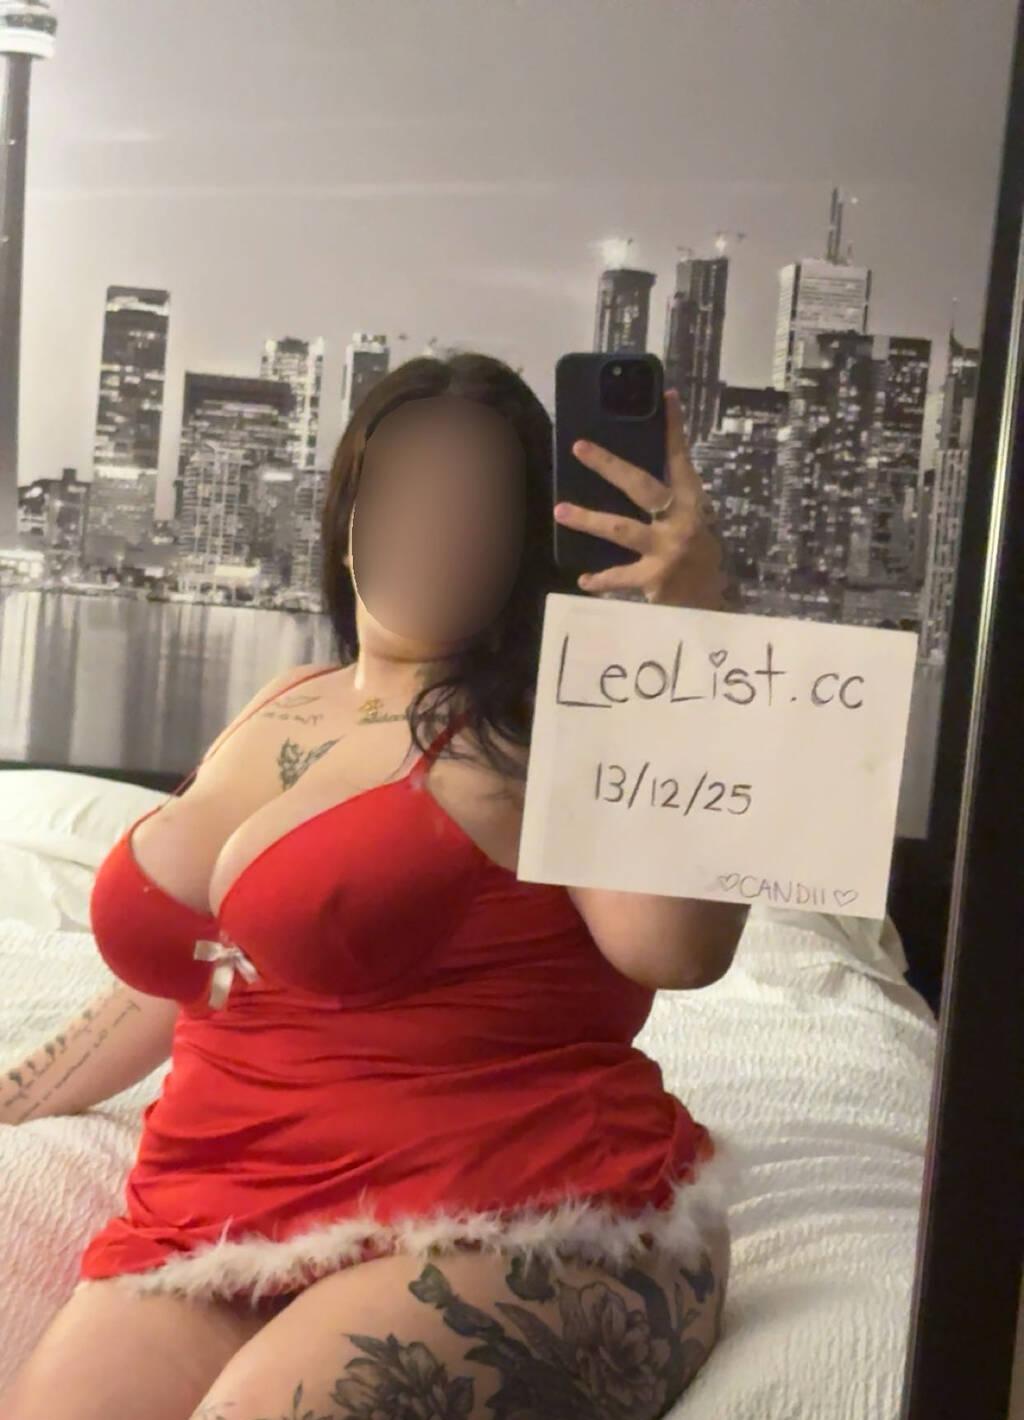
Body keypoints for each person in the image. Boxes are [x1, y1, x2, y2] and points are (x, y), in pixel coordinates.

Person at [2, 353, 746, 1420]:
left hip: (523, 1205)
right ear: (346, 512)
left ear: (527, 540)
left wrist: (693, 625)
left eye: (474, 503)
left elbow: (678, 948)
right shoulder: (283, 698)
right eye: (402, 490)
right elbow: (207, 968)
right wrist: (17, 1091)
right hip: (215, 1213)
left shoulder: (559, 726)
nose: (431, 526)